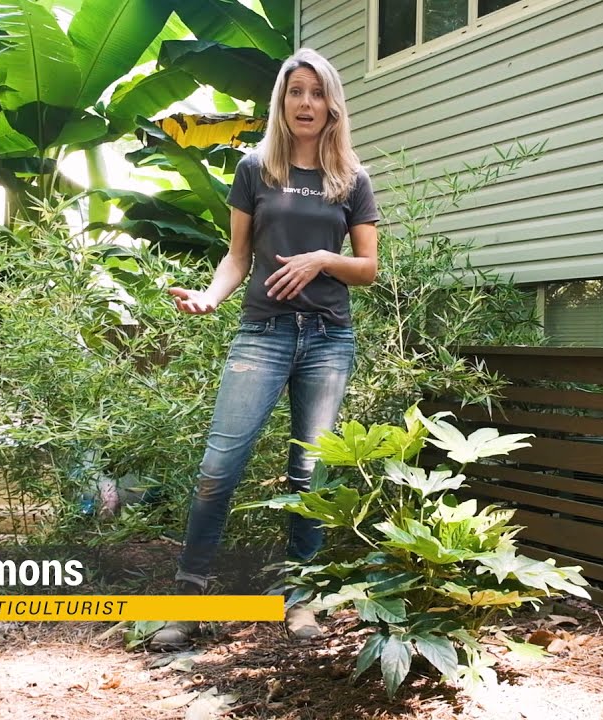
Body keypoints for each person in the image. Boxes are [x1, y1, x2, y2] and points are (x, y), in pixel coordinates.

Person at [151, 48, 380, 649]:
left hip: (329, 339)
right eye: (295, 92)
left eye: (316, 93)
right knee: (217, 470)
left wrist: (323, 259)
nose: (305, 103)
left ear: (332, 103)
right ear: (281, 101)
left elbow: (369, 268)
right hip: (263, 335)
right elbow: (237, 258)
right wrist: (210, 298)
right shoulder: (257, 168)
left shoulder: (351, 178)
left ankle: (300, 601)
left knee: (310, 475)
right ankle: (188, 600)